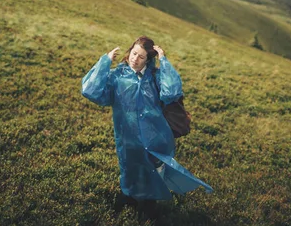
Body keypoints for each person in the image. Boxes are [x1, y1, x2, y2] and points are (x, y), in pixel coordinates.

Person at [81, 35, 213, 206]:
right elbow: (91, 91)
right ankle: (129, 198)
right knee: (130, 168)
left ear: (148, 60)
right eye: (134, 53)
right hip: (127, 135)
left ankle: (151, 203)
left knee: (154, 169)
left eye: (141, 56)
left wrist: (163, 61)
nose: (135, 59)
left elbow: (171, 91)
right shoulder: (117, 76)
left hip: (155, 135)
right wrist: (104, 62)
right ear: (129, 52)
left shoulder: (154, 77)